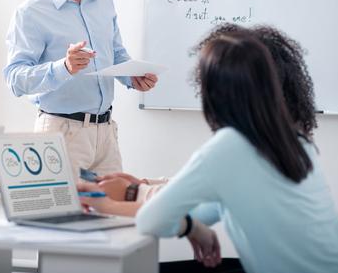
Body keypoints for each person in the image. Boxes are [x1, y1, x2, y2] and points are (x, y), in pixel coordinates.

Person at [86, 31, 338, 273]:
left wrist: (104, 203)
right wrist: (140, 190)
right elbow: (205, 210)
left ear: (214, 92)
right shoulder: (294, 141)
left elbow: (153, 220)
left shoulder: (230, 146)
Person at [85, 24, 320, 217]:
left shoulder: (234, 145)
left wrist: (125, 195)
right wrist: (143, 184)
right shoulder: (295, 144)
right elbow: (207, 197)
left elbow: (167, 216)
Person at [3, 0, 157, 177]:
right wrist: (63, 67)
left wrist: (133, 76)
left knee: (113, 213)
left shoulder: (103, 1)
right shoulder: (30, 13)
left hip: (105, 134)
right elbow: (15, 79)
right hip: (60, 134)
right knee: (59, 216)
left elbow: (115, 54)